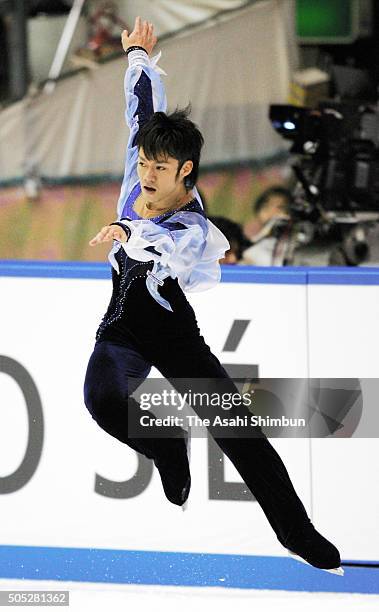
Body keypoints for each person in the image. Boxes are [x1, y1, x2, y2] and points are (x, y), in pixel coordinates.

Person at [83, 16, 342, 574]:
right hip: (124, 321)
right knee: (101, 398)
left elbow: (160, 242)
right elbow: (143, 106)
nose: (147, 176)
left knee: (238, 432)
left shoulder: (194, 226)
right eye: (145, 164)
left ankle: (297, 533)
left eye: (159, 169)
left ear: (187, 172)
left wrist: (127, 230)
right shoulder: (143, 161)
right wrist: (135, 57)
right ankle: (167, 446)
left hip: (172, 330)